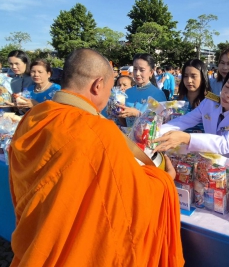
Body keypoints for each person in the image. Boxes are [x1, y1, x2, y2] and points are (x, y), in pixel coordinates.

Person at [8, 48, 184, 266]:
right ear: (98, 85)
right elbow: (129, 195)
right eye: (110, 89)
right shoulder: (98, 132)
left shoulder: (35, 116)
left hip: (35, 239)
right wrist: (165, 180)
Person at [154, 66, 229, 173]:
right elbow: (184, 120)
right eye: (227, 86)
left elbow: (225, 144)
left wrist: (187, 138)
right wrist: (156, 133)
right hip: (216, 169)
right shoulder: (210, 102)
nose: (227, 94)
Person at [117, 54, 166, 126]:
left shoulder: (158, 94)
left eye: (142, 70)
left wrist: (137, 114)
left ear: (151, 72)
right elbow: (125, 123)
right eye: (135, 69)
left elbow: (163, 121)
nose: (137, 73)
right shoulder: (127, 92)